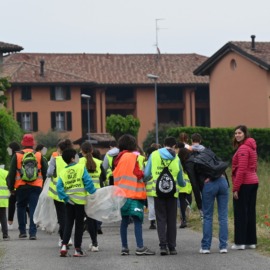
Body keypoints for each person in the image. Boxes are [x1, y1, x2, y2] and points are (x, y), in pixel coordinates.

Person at [113, 134, 155, 256]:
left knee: (124, 221)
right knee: (137, 220)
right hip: (134, 194)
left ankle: (124, 247)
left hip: (121, 195)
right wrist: (147, 176)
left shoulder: (118, 159)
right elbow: (139, 174)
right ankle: (140, 247)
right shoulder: (135, 157)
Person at [144, 136, 186, 256]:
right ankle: (172, 247)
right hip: (173, 193)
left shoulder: (154, 155)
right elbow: (180, 178)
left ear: (163, 144)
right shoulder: (176, 157)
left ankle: (163, 246)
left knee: (161, 219)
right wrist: (182, 184)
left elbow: (146, 174)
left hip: (158, 192)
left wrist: (148, 178)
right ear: (174, 146)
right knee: (172, 220)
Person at [57, 148, 97, 257]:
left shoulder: (63, 172)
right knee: (79, 225)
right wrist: (94, 193)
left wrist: (65, 198)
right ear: (72, 158)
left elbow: (59, 187)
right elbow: (88, 182)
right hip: (80, 201)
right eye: (76, 156)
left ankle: (64, 245)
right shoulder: (80, 168)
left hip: (69, 202)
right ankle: (77, 249)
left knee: (68, 224)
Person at [7, 134, 48, 240]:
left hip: (21, 186)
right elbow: (45, 172)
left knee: (21, 207)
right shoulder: (39, 155)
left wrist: (11, 187)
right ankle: (33, 233)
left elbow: (11, 174)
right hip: (36, 186)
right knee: (34, 207)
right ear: (33, 144)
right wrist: (43, 185)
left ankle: (22, 232)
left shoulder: (17, 155)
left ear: (23, 144)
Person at [231, 125, 259, 250]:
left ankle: (240, 242)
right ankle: (251, 241)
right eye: (236, 133)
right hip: (253, 181)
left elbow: (241, 170)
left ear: (245, 134)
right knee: (250, 212)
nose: (237, 135)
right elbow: (254, 165)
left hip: (245, 184)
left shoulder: (243, 148)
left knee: (241, 213)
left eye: (239, 133)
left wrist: (236, 188)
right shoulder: (252, 147)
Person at [79, 141, 106, 252]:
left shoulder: (79, 162)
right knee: (93, 219)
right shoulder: (99, 162)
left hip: (83, 194)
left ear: (82, 151)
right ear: (92, 150)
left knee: (82, 219)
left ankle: (78, 243)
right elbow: (103, 178)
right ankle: (95, 243)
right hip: (96, 194)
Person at [47, 139, 74, 247]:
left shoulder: (55, 159)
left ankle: (63, 238)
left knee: (61, 216)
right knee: (70, 215)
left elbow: (49, 173)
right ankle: (69, 238)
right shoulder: (74, 159)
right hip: (72, 191)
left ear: (59, 149)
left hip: (58, 193)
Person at [184, 133, 205, 221]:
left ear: (192, 141)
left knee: (196, 192)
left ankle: (201, 211)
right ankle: (206, 211)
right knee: (204, 192)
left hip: (192, 175)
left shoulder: (188, 149)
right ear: (200, 141)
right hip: (202, 175)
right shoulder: (204, 150)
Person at [6, 141, 21, 230]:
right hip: (25, 183)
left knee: (12, 202)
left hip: (16, 184)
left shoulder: (14, 157)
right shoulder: (22, 155)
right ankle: (29, 223)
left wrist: (11, 187)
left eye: (9, 149)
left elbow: (11, 174)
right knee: (24, 205)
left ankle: (10, 223)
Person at [178, 148, 193, 229]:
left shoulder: (177, 162)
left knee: (181, 203)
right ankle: (188, 205)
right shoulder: (189, 162)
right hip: (188, 185)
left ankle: (183, 220)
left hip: (180, 185)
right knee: (188, 200)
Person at [144, 146, 158, 230]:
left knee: (151, 205)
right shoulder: (159, 162)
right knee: (158, 205)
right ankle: (159, 220)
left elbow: (144, 175)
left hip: (149, 187)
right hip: (158, 186)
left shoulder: (145, 163)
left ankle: (152, 222)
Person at [0, 167, 10, 240]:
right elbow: (10, 183)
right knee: (3, 216)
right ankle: (5, 234)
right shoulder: (5, 172)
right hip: (2, 199)